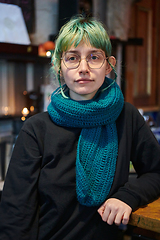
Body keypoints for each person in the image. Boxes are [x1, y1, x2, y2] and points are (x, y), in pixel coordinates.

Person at [0, 16, 160, 240]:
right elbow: (15, 214)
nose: (83, 68)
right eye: (72, 58)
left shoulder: (126, 116)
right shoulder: (37, 130)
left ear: (108, 65)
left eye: (94, 57)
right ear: (59, 66)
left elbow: (156, 171)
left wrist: (127, 196)